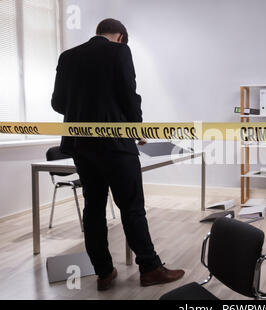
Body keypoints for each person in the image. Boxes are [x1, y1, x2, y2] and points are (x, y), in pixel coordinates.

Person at [51, 18, 184, 291]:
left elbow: (57, 103)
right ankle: (150, 268)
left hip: (80, 146)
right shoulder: (119, 52)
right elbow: (128, 94)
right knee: (132, 206)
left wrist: (82, 107)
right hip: (115, 144)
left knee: (94, 207)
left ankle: (104, 272)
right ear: (121, 37)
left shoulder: (68, 57)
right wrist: (137, 129)